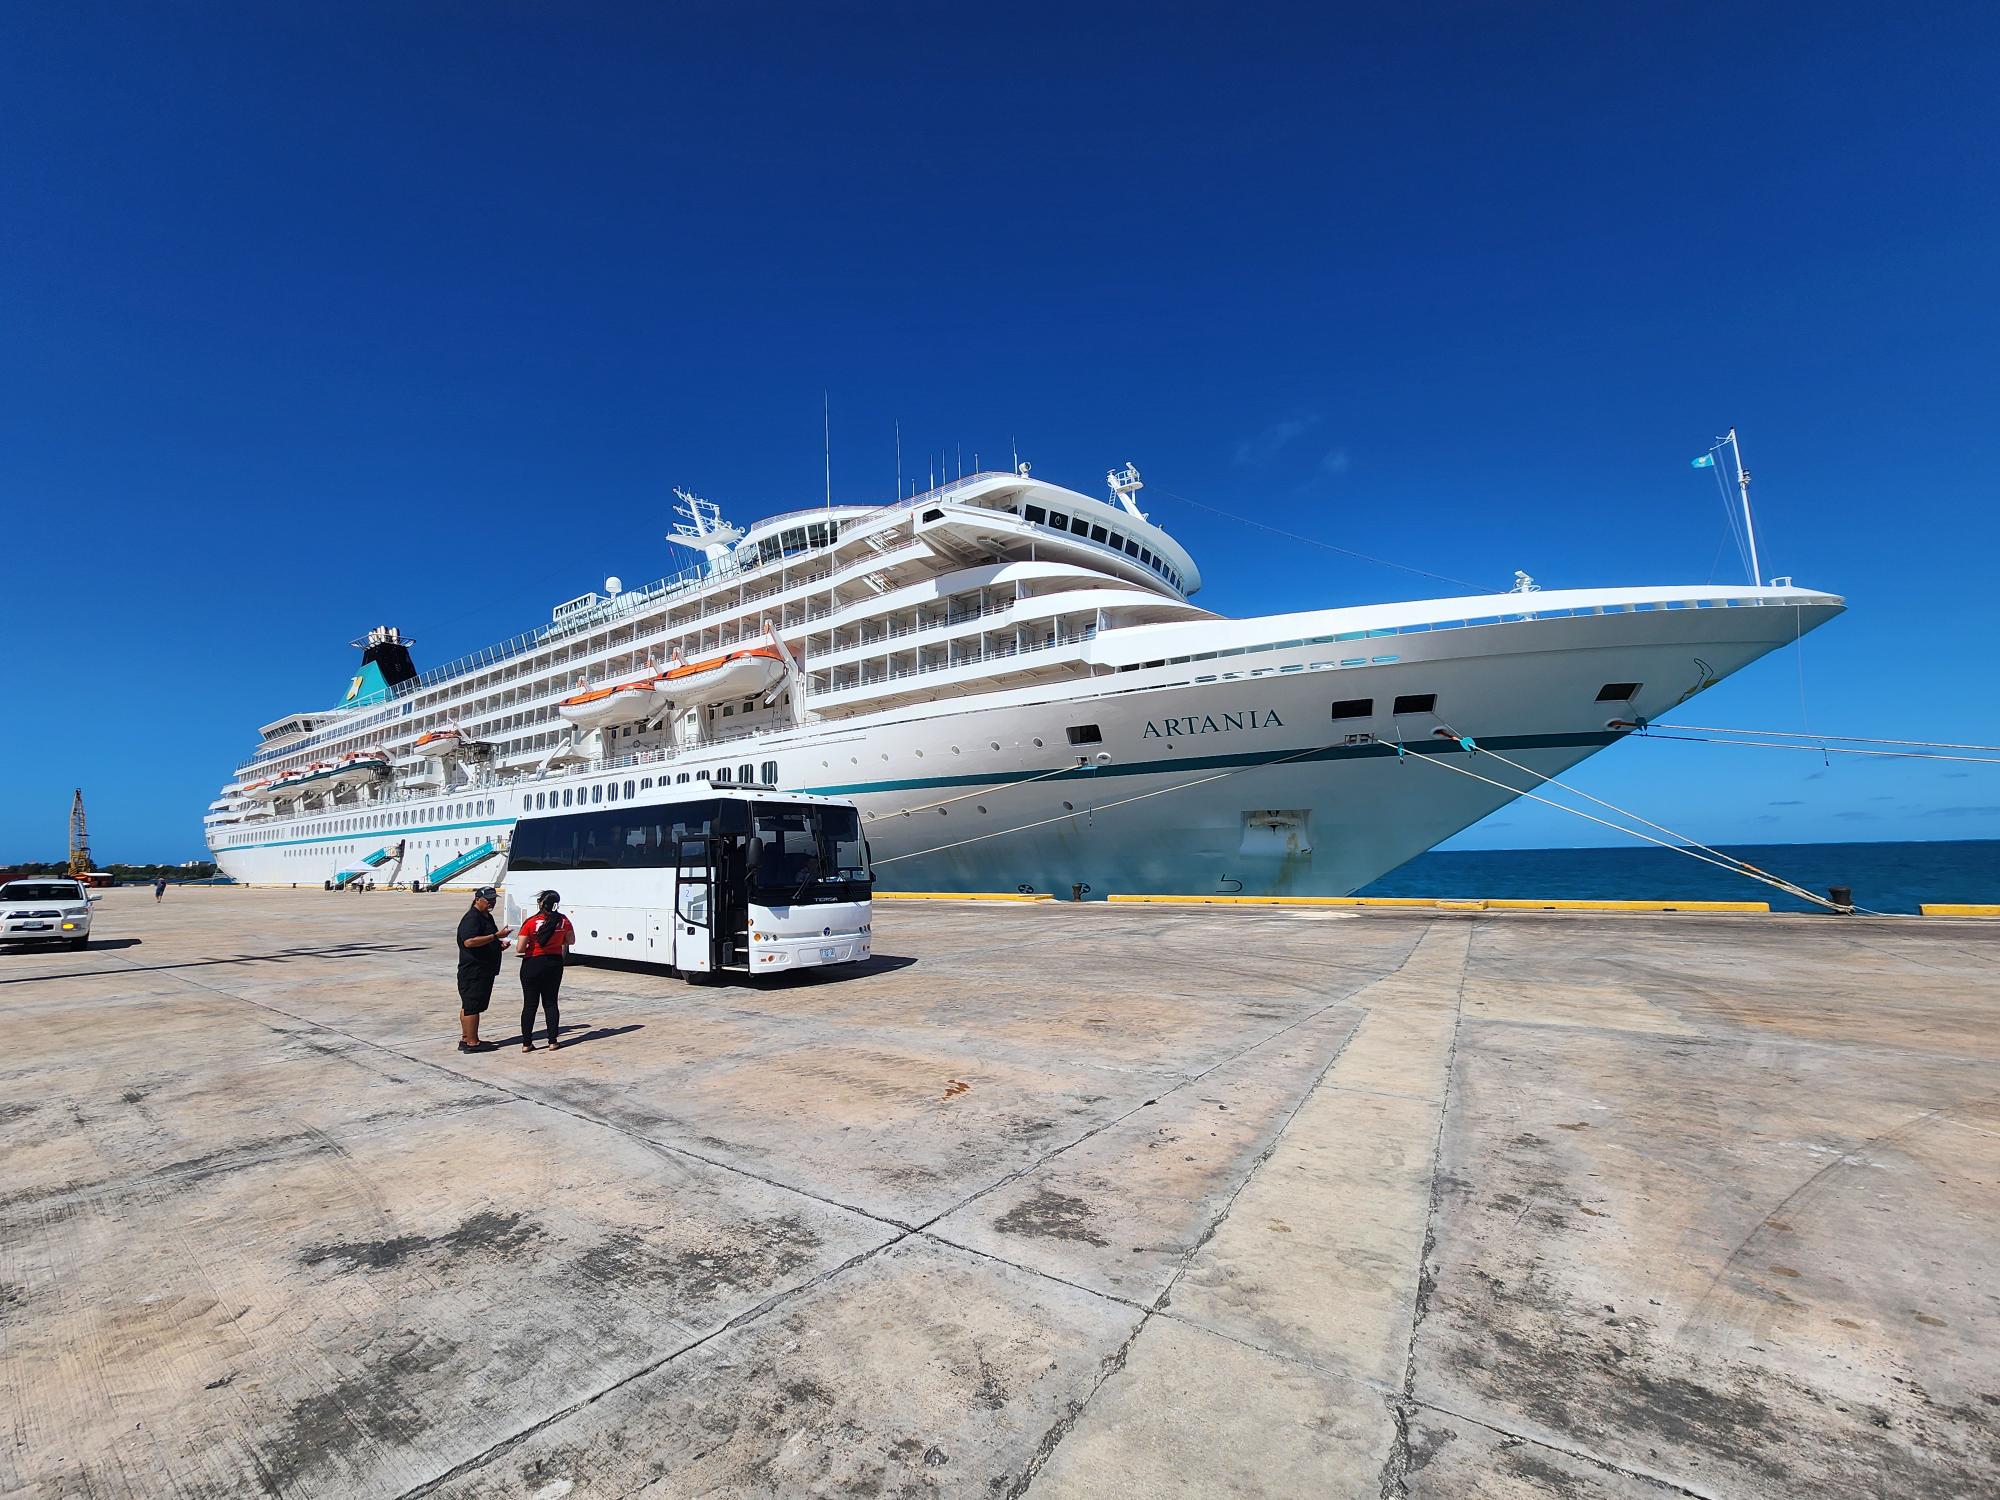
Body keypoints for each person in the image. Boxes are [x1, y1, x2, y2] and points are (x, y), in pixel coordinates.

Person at [514, 889, 574, 1051]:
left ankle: (527, 1043)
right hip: (553, 963)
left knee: (530, 1004)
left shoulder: (531, 922)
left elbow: (520, 948)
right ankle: (552, 1041)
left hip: (532, 963)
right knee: (551, 1002)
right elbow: (571, 940)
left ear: (541, 903)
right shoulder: (562, 920)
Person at [454, 886, 513, 1053]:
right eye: (488, 900)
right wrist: (495, 936)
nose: (492, 903)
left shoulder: (486, 917)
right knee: (472, 1005)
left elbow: (485, 941)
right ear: (477, 899)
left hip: (484, 968)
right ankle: (473, 1043)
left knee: (470, 1004)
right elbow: (469, 942)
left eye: (494, 899)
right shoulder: (472, 918)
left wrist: (498, 946)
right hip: (474, 970)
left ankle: (467, 1038)